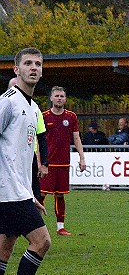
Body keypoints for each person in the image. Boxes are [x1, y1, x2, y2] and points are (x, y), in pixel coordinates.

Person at [0, 47, 51, 275]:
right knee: (42, 241)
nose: (34, 68)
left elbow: (27, 154)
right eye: (28, 63)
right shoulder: (7, 102)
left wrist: (32, 192)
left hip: (18, 191)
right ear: (16, 69)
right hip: (6, 191)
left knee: (4, 248)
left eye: (38, 64)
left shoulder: (32, 108)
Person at [40, 86, 87, 236]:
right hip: (48, 164)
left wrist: (82, 157)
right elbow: (38, 140)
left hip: (63, 163)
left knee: (60, 195)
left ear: (65, 99)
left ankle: (60, 227)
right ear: (51, 98)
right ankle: (35, 227)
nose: (59, 98)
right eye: (57, 96)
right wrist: (40, 162)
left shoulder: (71, 117)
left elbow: (76, 137)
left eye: (62, 96)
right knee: (40, 195)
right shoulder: (44, 116)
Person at [7, 77, 48, 204]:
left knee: (35, 195)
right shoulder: (5, 105)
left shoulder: (35, 109)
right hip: (8, 159)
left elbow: (42, 137)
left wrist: (44, 164)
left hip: (30, 160)